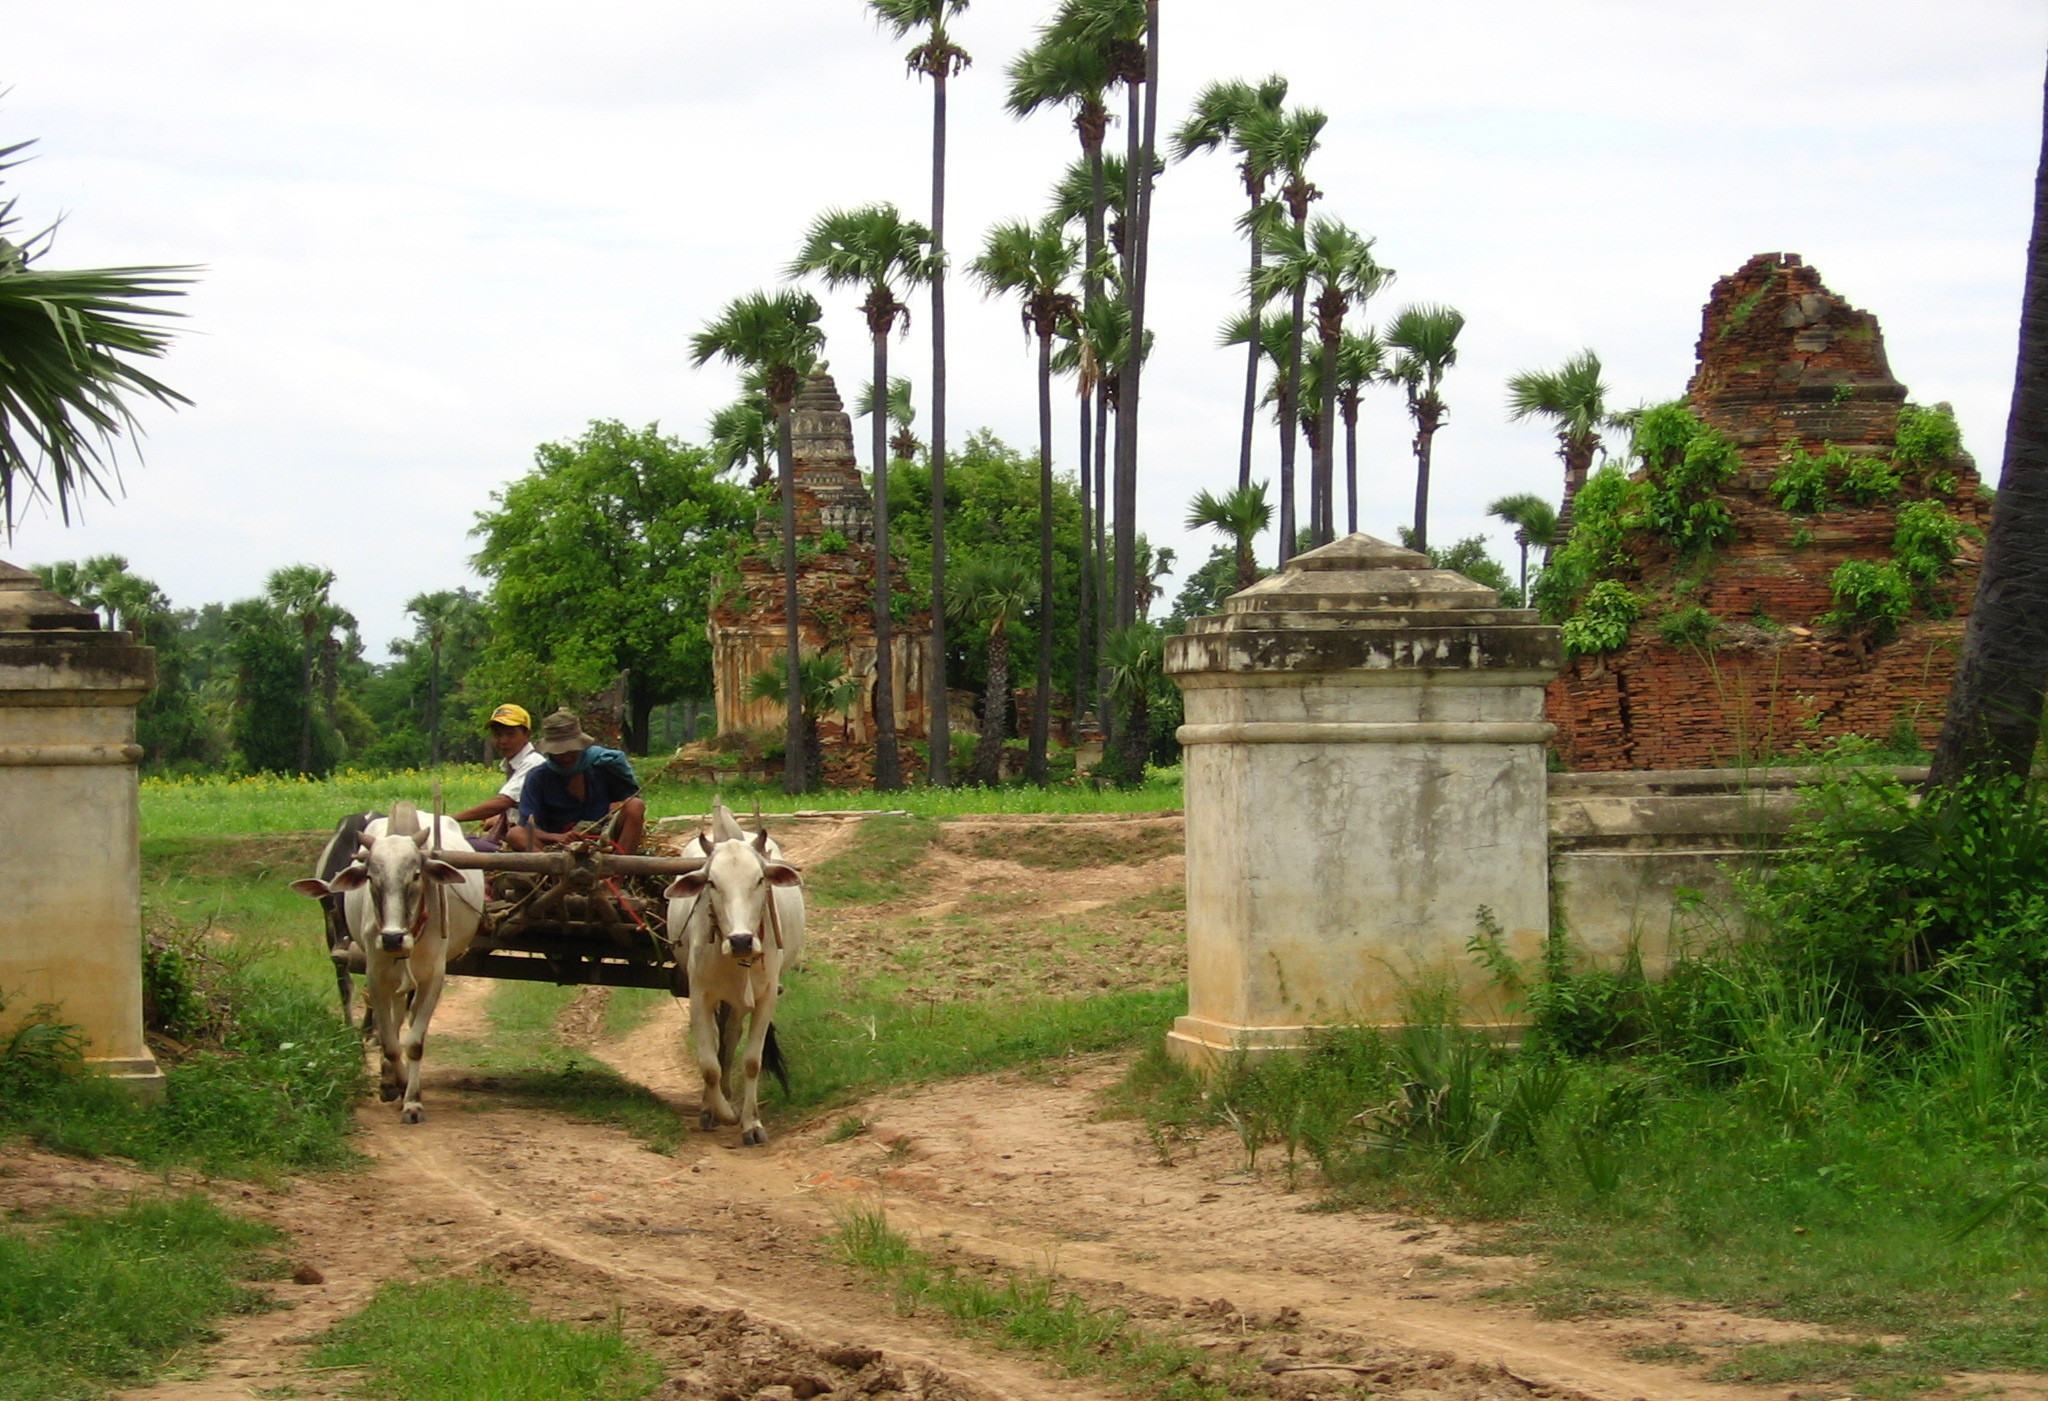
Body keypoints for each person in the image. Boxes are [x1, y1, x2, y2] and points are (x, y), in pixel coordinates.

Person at [518, 708, 646, 853]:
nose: (566, 758)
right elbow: (527, 826)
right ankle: (553, 870)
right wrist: (558, 837)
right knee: (516, 834)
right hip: (557, 847)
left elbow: (631, 801)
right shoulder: (538, 777)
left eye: (572, 751)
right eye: (559, 753)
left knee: (635, 805)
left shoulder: (603, 765)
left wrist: (619, 806)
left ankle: (618, 870)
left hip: (603, 841)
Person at [451, 703, 547, 850]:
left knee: (462, 846)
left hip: (535, 837)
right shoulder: (511, 765)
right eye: (498, 735)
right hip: (519, 833)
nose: (502, 741)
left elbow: (503, 801)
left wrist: (452, 818)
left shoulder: (533, 763)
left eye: (510, 734)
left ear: (527, 735)